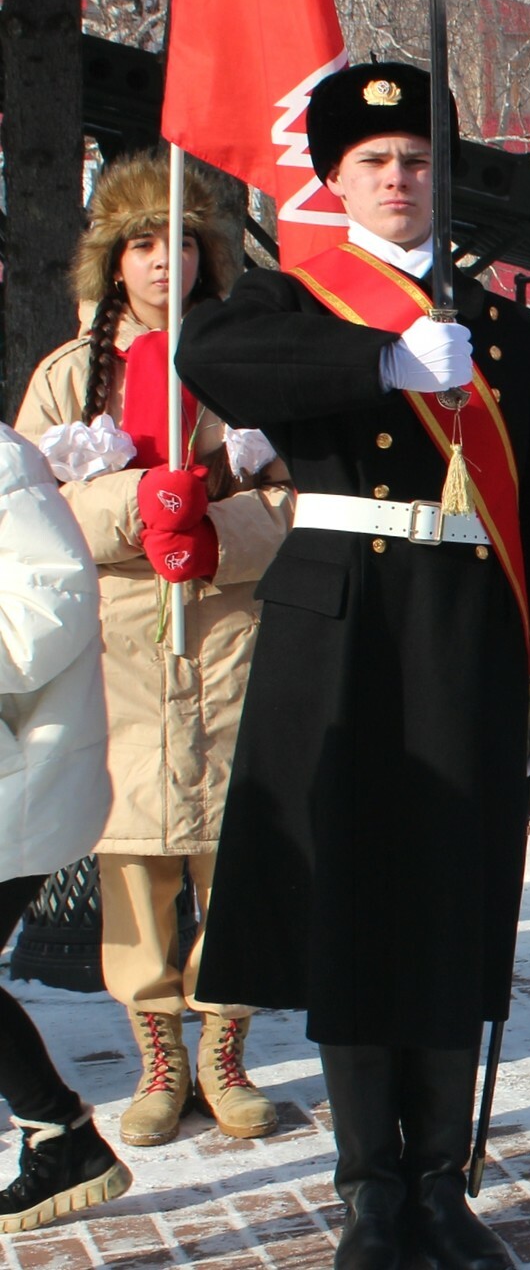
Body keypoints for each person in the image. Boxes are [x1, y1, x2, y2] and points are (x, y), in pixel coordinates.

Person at [176, 62, 530, 1270]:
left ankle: (441, 1182)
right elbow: (216, 362)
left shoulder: (507, 330)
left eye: (416, 160)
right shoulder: (293, 300)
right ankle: (368, 1188)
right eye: (374, 162)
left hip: (467, 621)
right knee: (355, 902)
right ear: (336, 180)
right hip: (341, 624)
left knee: (452, 902)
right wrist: (382, 364)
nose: (399, 179)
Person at [12, 152, 288, 1149]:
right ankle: (158, 1055)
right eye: (142, 243)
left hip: (228, 636)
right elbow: (27, 509)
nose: (163, 261)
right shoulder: (67, 374)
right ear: (112, 260)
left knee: (235, 852)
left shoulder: (248, 355)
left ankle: (224, 1047)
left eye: (181, 241)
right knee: (135, 859)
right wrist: (138, 504)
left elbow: (296, 490)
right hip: (119, 651)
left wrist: (221, 531)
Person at [0, 425, 132, 1232]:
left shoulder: (4, 464)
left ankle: (61, 1138)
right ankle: (61, 1138)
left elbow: (52, 599)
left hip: (21, 773)